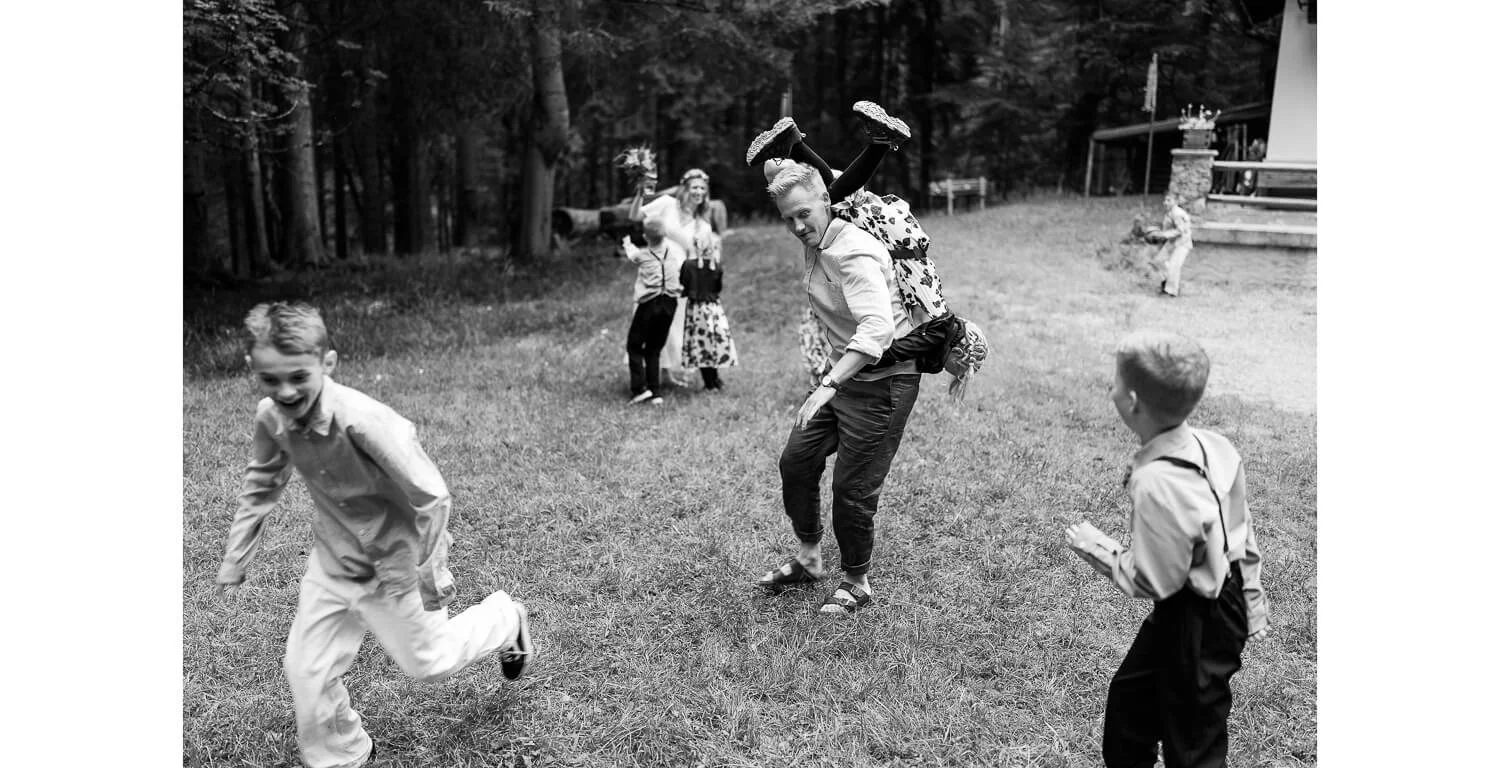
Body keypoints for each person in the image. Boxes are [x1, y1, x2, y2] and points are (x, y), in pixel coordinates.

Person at [216, 302, 533, 768]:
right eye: (270, 379)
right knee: (307, 670)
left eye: (298, 377)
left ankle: (505, 619)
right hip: (333, 565)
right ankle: (342, 754)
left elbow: (432, 496)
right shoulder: (271, 417)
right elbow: (262, 481)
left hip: (394, 566)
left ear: (328, 363)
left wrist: (431, 573)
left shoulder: (362, 419)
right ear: (253, 371)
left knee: (429, 664)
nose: (285, 391)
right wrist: (236, 558)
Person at [1063, 330, 1268, 768]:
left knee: (1194, 740)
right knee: (1131, 706)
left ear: (1133, 402)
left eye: (1115, 382)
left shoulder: (1155, 484)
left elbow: (1155, 579)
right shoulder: (1216, 444)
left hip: (1197, 616)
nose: (1110, 388)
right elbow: (1241, 531)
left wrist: (1094, 546)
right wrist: (1250, 598)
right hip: (1213, 600)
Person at [754, 161, 920, 615]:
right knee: (797, 460)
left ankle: (857, 582)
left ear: (826, 201)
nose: (797, 226)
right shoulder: (820, 235)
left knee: (853, 487)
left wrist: (826, 384)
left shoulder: (854, 252)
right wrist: (780, 160)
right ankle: (809, 559)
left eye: (804, 214)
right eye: (788, 219)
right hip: (845, 375)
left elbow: (877, 327)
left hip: (884, 381)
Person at [748, 101, 949, 326]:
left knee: (829, 194)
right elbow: (924, 332)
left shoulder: (928, 303)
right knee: (827, 195)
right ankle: (802, 143)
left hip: (891, 230)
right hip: (893, 233)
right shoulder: (930, 305)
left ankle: (798, 144)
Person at [629, 168, 721, 386]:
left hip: (679, 281)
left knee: (672, 326)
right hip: (654, 275)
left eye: (702, 188)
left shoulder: (704, 225)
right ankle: (653, 376)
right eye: (694, 187)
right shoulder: (667, 204)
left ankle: (667, 373)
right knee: (649, 324)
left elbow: (701, 257)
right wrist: (640, 194)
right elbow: (635, 216)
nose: (698, 192)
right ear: (685, 188)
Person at [620, 216, 687, 404]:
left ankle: (639, 388)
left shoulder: (643, 255)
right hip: (669, 304)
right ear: (664, 236)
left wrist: (626, 243)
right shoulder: (671, 255)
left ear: (645, 237)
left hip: (650, 303)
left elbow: (632, 254)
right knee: (654, 348)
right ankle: (655, 391)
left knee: (634, 345)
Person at [678, 221, 738, 390]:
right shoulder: (716, 267)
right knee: (712, 344)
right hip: (713, 310)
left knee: (700, 345)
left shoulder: (688, 265)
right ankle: (715, 379)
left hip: (696, 311)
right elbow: (717, 288)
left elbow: (683, 284)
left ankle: (709, 383)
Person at [1146, 195, 1194, 297]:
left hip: (1182, 243)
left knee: (1174, 267)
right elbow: (1168, 228)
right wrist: (1158, 233)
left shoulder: (1177, 213)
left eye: (1169, 200)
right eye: (1165, 200)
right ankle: (1166, 281)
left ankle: (1171, 291)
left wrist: (1163, 235)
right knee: (1158, 261)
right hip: (1172, 242)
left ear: (1175, 201)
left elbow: (1181, 231)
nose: (1165, 202)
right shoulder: (1170, 213)